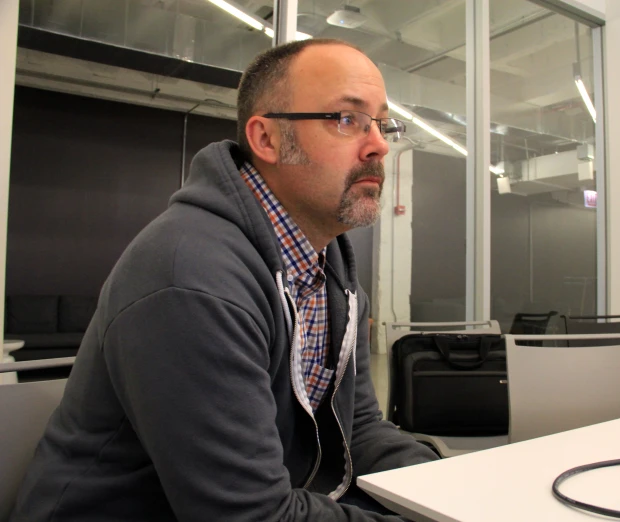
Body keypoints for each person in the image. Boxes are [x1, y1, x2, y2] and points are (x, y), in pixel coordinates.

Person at [11, 38, 438, 522]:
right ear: (267, 139)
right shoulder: (192, 277)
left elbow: (357, 430)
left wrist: (451, 492)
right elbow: (245, 515)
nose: (380, 143)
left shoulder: (331, 275)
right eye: (347, 119)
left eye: (383, 123)